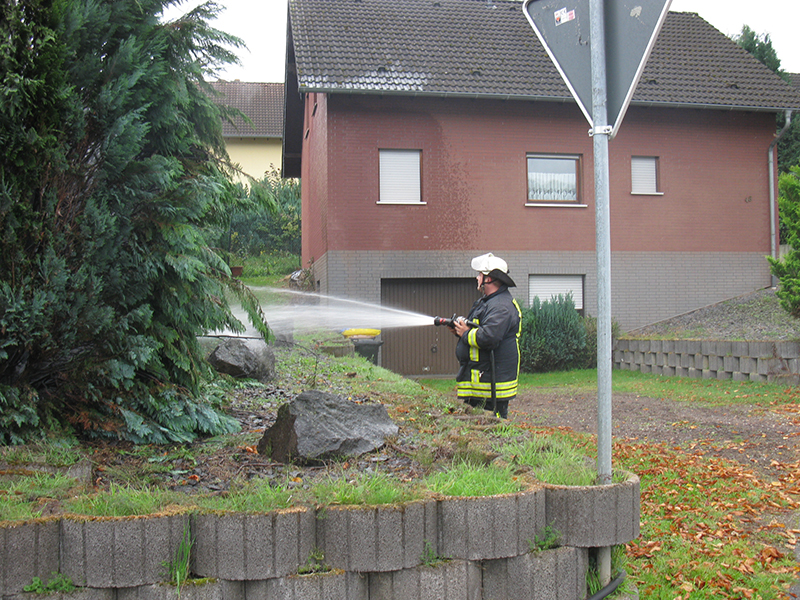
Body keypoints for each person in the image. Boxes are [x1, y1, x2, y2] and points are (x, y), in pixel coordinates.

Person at [451, 253, 522, 419]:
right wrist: (460, 332)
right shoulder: (488, 302)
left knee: (490, 432)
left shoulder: (501, 306)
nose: (477, 278)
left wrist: (465, 333)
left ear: (489, 279)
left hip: (492, 387)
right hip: (482, 383)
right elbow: (478, 330)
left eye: (480, 274)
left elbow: (489, 337)